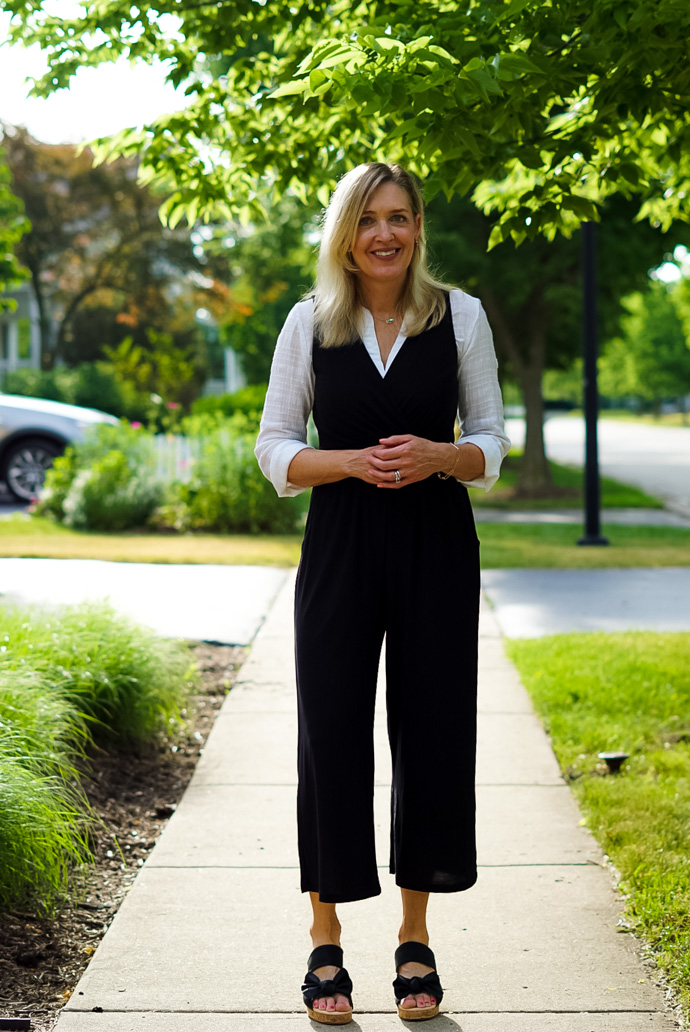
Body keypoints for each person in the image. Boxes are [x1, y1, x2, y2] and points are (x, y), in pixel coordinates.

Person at [255, 162, 510, 1024]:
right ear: (346, 232)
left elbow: (491, 440)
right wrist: (353, 463)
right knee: (330, 732)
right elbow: (276, 451)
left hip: (437, 543)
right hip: (341, 544)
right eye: (369, 219)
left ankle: (414, 937)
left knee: (433, 731)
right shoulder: (309, 324)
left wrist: (443, 457)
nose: (386, 234)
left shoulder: (460, 316)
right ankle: (325, 936)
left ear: (417, 227)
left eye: (400, 218)